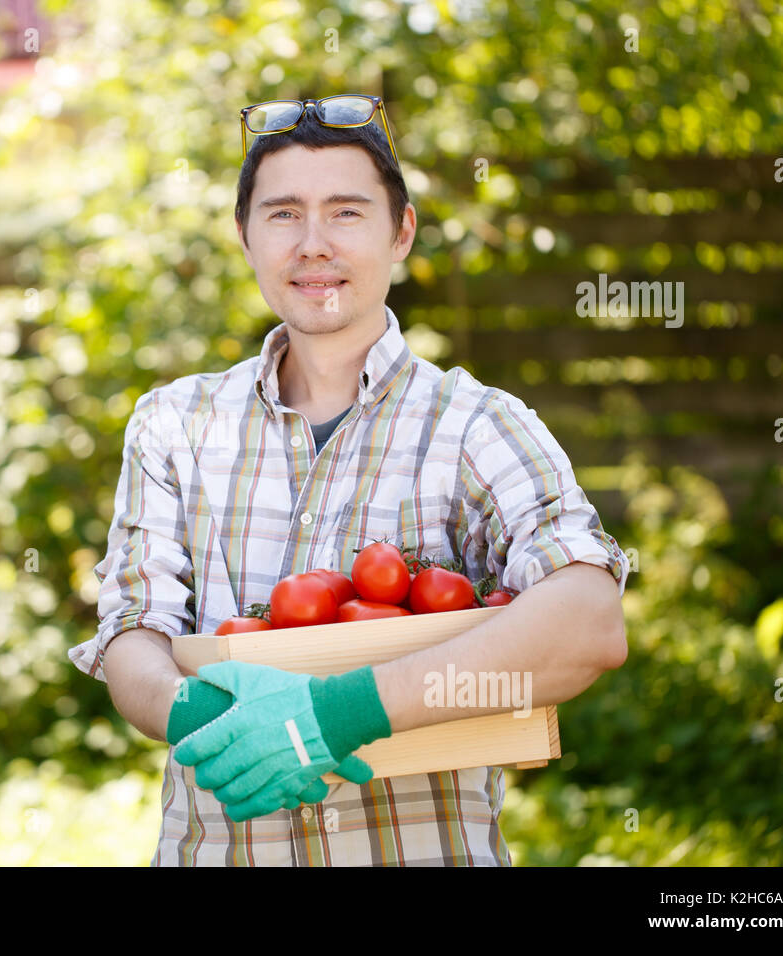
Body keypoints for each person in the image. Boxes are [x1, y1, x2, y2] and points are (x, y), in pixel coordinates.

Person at [67, 94, 631, 866]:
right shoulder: (174, 426)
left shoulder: (476, 426)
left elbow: (591, 621)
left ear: (401, 233)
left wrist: (342, 711)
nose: (313, 244)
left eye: (346, 212)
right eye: (283, 214)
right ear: (245, 237)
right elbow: (133, 634)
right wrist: (203, 716)